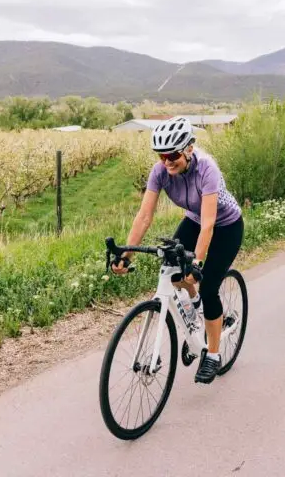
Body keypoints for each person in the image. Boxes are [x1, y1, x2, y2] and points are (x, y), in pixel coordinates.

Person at [110, 116, 244, 384]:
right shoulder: (160, 171)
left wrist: (199, 264)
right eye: (161, 156)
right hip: (193, 220)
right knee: (172, 273)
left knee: (207, 286)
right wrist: (126, 255)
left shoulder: (207, 169)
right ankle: (193, 311)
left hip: (226, 226)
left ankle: (213, 355)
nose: (167, 162)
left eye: (173, 155)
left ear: (189, 149)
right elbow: (144, 217)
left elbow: (209, 225)